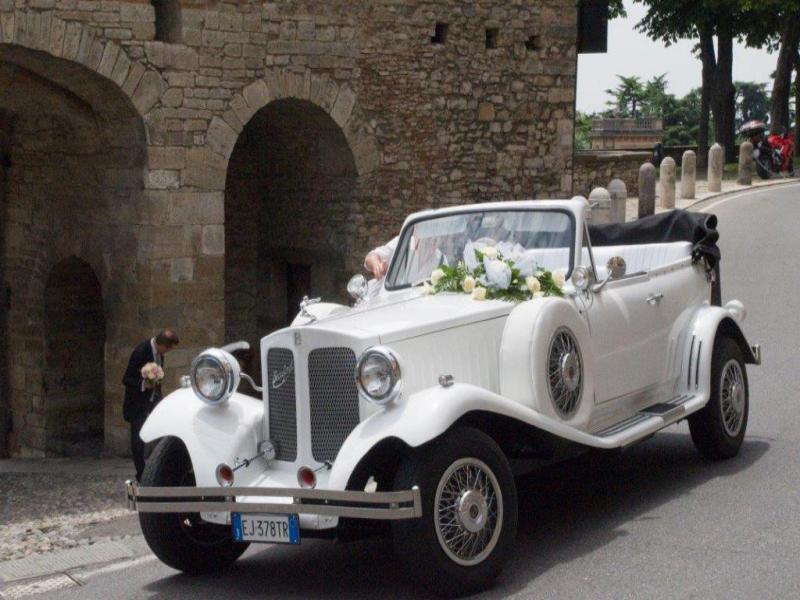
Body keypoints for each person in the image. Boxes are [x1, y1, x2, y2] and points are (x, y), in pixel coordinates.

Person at [122, 329, 179, 482]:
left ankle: (162, 467)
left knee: (164, 430)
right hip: (137, 402)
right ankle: (141, 474)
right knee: (138, 438)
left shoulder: (160, 354)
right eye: (168, 348)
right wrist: (143, 384)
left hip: (153, 400)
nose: (167, 352)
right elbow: (126, 379)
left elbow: (158, 379)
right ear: (161, 345)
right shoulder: (141, 351)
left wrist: (159, 399)